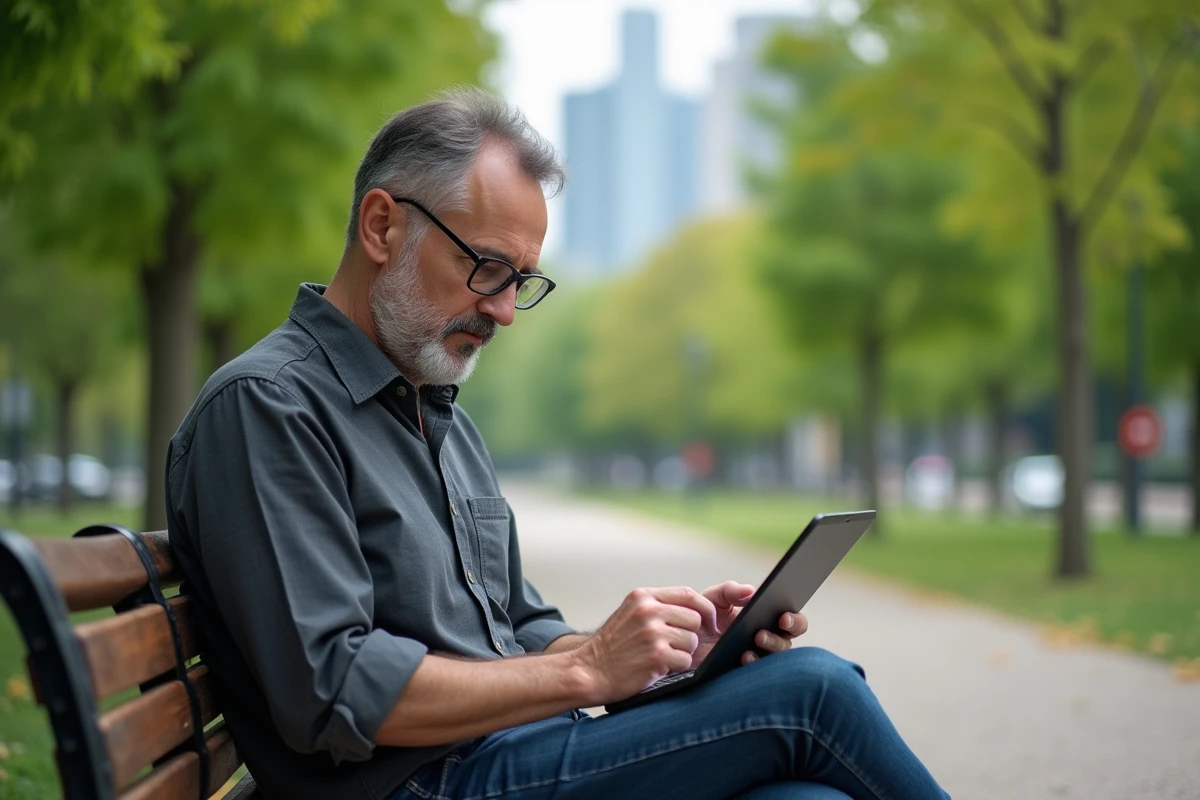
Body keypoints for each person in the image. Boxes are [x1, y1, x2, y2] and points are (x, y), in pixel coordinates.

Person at [166, 87, 950, 800]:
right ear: (382, 226)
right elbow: (331, 690)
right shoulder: (269, 407)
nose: (505, 311)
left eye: (522, 282)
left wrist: (661, 657)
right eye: (486, 268)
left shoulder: (438, 418)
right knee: (812, 694)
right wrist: (585, 668)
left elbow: (519, 626)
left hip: (506, 758)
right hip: (422, 785)